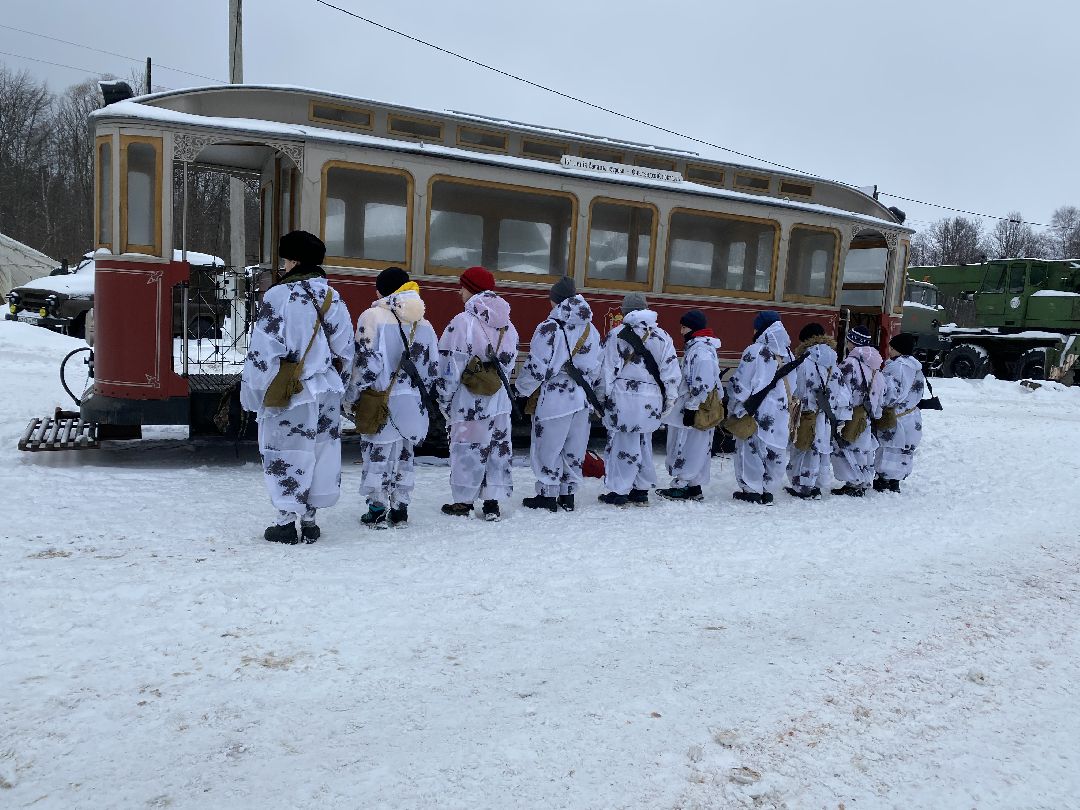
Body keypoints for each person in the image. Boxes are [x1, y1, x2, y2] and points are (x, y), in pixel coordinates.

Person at [241, 231, 354, 544]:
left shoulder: (279, 296)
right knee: (320, 452)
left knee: (285, 451)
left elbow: (263, 353)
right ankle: (310, 520)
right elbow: (347, 352)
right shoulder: (334, 298)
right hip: (326, 391)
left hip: (290, 392)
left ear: (292, 260)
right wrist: (338, 386)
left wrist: (254, 393)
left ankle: (285, 522)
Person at [343, 266, 439, 528]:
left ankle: (376, 509)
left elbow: (365, 365)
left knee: (377, 454)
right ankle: (400, 508)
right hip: (413, 403)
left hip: (380, 400)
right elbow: (432, 370)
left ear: (382, 290)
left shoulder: (372, 316)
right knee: (405, 455)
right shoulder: (424, 323)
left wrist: (350, 397)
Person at [436, 266, 519, 521]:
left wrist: (443, 397)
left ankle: (463, 502)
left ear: (470, 288)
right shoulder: (508, 325)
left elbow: (451, 365)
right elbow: (510, 361)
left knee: (467, 448)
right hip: (499, 400)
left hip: (469, 400)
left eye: (462, 287)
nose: (459, 293)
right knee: (496, 447)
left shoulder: (463, 323)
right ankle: (492, 503)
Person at [515, 276, 601, 512]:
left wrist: (522, 391)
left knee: (548, 447)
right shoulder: (590, 329)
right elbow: (597, 365)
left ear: (556, 300)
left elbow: (537, 366)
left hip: (555, 398)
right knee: (574, 448)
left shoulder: (549, 328)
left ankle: (547, 494)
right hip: (582, 398)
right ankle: (568, 495)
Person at [597, 292, 680, 506]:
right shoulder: (663, 336)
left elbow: (606, 370)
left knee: (623, 444)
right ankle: (641, 489)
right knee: (644, 442)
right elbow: (671, 371)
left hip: (623, 397)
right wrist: (669, 399)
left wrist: (601, 398)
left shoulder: (617, 334)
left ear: (624, 311)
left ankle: (620, 490)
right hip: (651, 400)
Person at [726, 310, 796, 505]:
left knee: (751, 448)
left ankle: (752, 490)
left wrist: (733, 402)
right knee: (775, 449)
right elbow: (794, 383)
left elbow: (742, 384)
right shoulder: (789, 352)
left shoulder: (755, 350)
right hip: (780, 411)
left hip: (756, 409)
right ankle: (768, 489)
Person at [657, 309, 722, 502]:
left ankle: (682, 485)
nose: (681, 331)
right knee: (698, 445)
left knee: (686, 445)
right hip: (699, 406)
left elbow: (702, 383)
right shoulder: (701, 347)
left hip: (694, 407)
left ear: (692, 328)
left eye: (684, 327)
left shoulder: (699, 351)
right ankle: (694, 486)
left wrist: (692, 406)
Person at [785, 322, 840, 500]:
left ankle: (803, 486)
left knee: (802, 447)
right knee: (819, 449)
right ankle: (816, 485)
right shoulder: (832, 359)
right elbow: (837, 388)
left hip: (806, 412)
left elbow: (798, 386)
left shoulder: (805, 360)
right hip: (824, 413)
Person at [830, 325, 886, 497]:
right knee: (864, 448)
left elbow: (841, 389)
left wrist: (838, 413)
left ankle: (853, 483)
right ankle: (862, 481)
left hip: (852, 413)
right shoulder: (874, 365)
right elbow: (881, 390)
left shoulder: (849, 364)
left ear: (852, 342)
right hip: (867, 414)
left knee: (847, 447)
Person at [873, 332, 926, 493]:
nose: (889, 349)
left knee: (889, 448)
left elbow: (891, 393)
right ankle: (895, 481)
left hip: (896, 416)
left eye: (891, 346)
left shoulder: (897, 366)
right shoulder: (915, 366)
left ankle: (883, 480)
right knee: (904, 450)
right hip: (911, 414)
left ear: (898, 348)